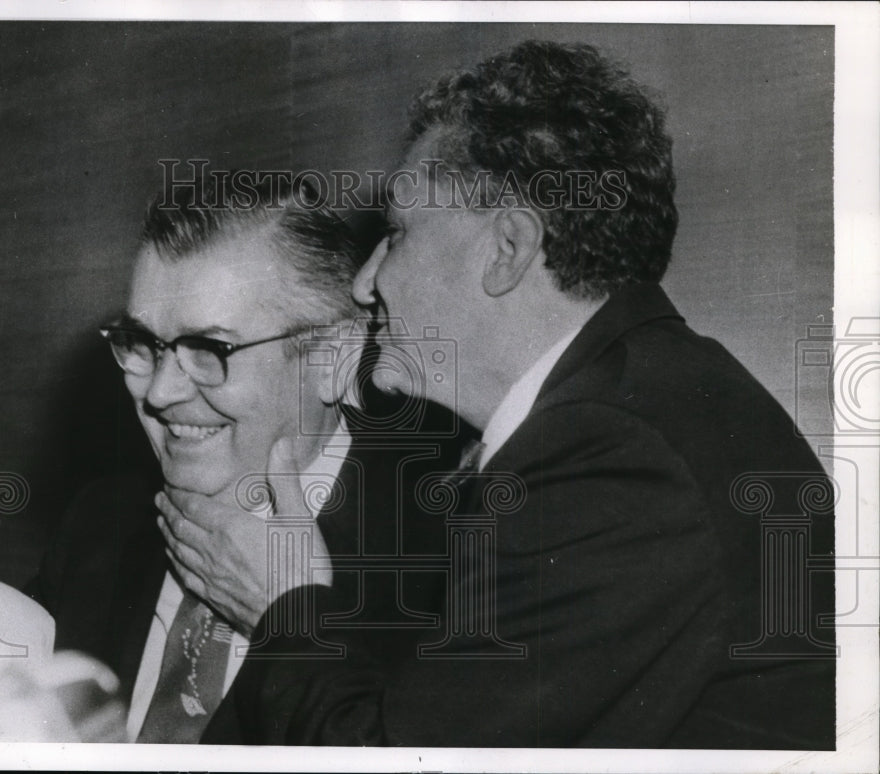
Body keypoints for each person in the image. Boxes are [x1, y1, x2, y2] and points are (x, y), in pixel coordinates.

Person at [158, 40, 835, 748]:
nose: (365, 283)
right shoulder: (653, 400)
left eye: (396, 234)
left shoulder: (610, 457)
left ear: (506, 249)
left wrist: (286, 604)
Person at [27, 175, 462, 743]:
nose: (159, 392)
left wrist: (288, 618)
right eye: (144, 345)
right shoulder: (99, 524)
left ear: (333, 357)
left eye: (209, 350)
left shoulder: (450, 562)